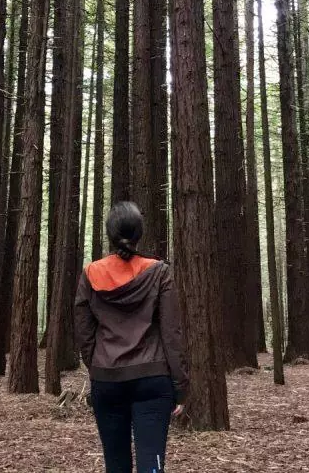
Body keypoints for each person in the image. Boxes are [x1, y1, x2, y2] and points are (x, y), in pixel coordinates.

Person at [75, 201, 189, 473]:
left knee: (116, 464)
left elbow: (84, 331)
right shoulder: (159, 272)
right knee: (152, 464)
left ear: (110, 234)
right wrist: (180, 386)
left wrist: (98, 366)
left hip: (107, 379)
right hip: (153, 381)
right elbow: (172, 333)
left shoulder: (91, 273)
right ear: (139, 233)